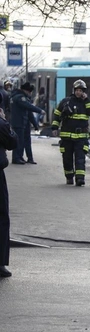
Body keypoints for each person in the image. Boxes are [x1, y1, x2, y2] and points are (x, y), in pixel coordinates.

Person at [51, 80, 90, 186]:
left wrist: (87, 100)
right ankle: (69, 177)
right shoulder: (66, 102)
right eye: (77, 90)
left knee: (80, 158)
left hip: (81, 137)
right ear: (74, 90)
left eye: (81, 90)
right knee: (67, 158)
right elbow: (57, 115)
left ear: (84, 92)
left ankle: (80, 178)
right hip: (67, 136)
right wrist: (54, 127)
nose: (78, 92)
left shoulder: (86, 103)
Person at [0, 107, 18, 277]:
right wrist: (4, 121)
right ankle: (0, 264)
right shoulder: (1, 123)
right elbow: (13, 143)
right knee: (1, 217)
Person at [9, 82, 44, 165]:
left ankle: (20, 157)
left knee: (22, 140)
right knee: (19, 141)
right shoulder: (20, 98)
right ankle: (17, 158)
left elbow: (29, 113)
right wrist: (40, 111)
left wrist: (35, 124)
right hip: (19, 122)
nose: (30, 94)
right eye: (29, 92)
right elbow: (29, 107)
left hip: (21, 122)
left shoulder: (16, 96)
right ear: (26, 91)